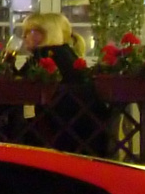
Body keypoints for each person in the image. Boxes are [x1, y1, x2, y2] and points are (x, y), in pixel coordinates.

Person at [18, 11, 110, 156]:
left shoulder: (45, 55)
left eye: (31, 31)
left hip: (61, 131)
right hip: (88, 131)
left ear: (48, 34)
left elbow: (19, 85)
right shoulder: (67, 52)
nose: (24, 36)